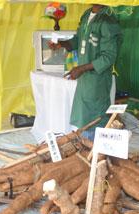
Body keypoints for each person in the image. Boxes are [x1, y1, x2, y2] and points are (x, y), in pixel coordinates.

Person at [51, 5, 122, 139]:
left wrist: (81, 68)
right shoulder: (86, 14)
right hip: (85, 78)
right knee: (84, 115)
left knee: (95, 117)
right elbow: (78, 40)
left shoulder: (108, 20)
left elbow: (108, 57)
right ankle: (86, 148)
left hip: (97, 79)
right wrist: (62, 44)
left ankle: (95, 152)